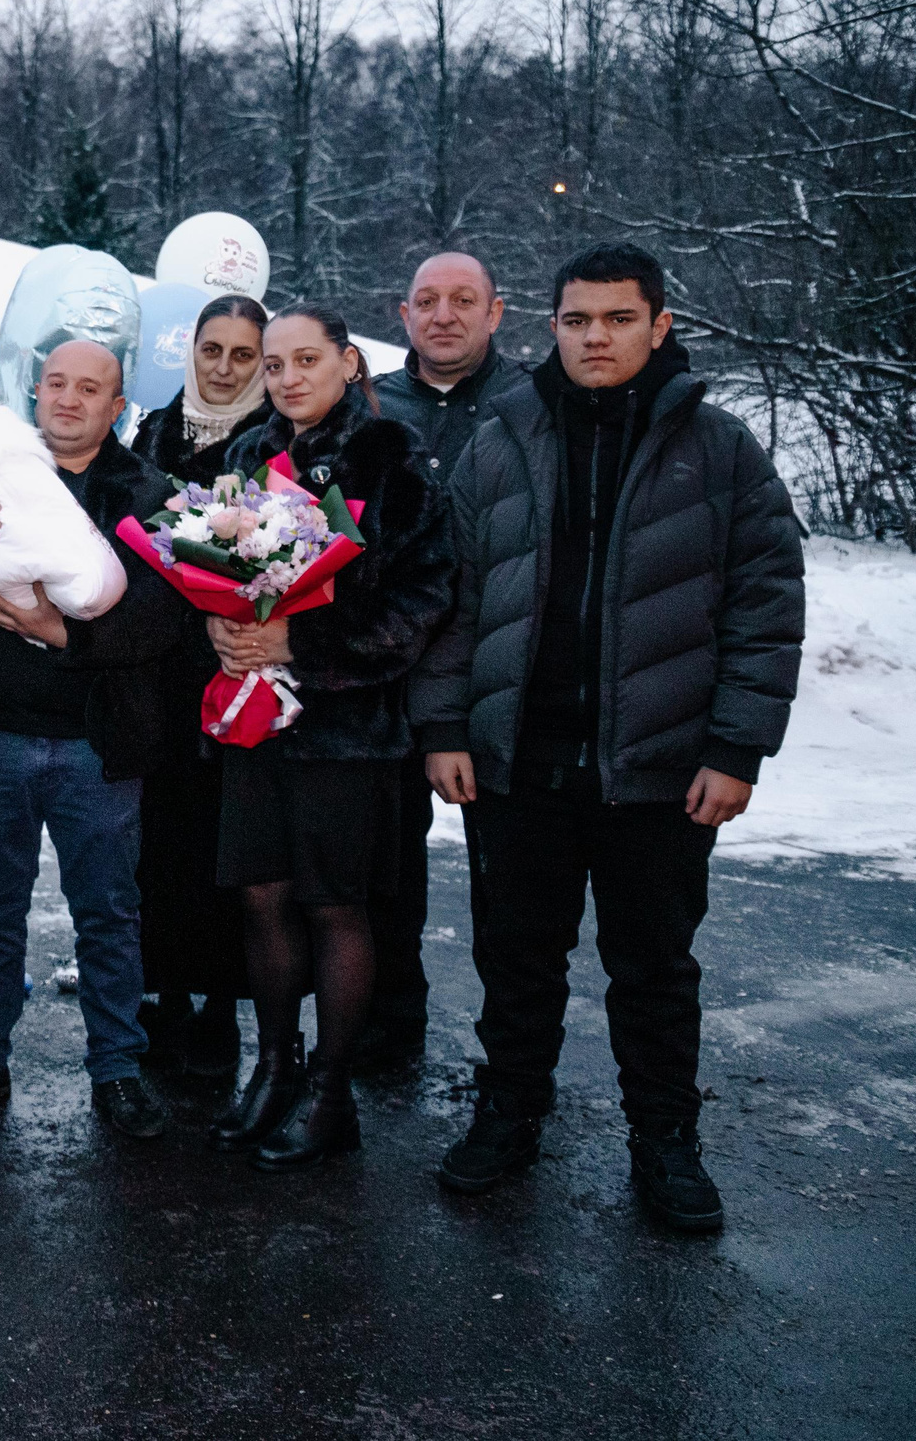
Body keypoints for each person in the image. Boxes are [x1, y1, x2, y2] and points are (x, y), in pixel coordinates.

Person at [416, 242, 804, 1232]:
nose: (597, 337)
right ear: (551, 326)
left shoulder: (719, 451)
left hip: (660, 768)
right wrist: (447, 725)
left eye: (619, 318)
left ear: (659, 326)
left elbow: (766, 608)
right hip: (518, 762)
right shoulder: (500, 441)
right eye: (578, 319)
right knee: (516, 956)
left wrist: (734, 749)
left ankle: (664, 1143)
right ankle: (508, 1114)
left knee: (655, 968)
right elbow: (455, 605)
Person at [0, 340, 186, 1140]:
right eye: (57, 383)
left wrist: (63, 634)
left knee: (110, 912)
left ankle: (118, 1067)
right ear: (36, 390)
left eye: (92, 389)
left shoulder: (147, 492)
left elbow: (164, 614)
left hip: (98, 739)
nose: (70, 399)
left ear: (118, 407)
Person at [202, 303, 452, 1172]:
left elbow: (423, 603)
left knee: (334, 905)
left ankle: (332, 1091)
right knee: (261, 896)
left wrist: (298, 645)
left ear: (349, 362)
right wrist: (226, 633)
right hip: (257, 725)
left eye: (307, 359)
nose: (289, 377)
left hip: (349, 731)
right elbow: (213, 577)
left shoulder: (393, 457)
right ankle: (275, 1067)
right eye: (275, 365)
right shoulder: (244, 457)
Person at [363, 252, 531, 1071]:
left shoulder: (531, 407)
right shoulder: (373, 409)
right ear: (402, 314)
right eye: (426, 300)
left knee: (514, 893)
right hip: (388, 677)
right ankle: (389, 1025)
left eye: (464, 300)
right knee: (386, 873)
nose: (444, 315)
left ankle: (515, 1063)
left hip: (500, 676)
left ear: (496, 312)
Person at [128, 294, 273, 1079]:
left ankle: (223, 1003)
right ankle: (168, 992)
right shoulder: (153, 428)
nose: (222, 368)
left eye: (241, 355)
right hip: (158, 671)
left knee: (228, 844)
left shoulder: (270, 442)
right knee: (160, 839)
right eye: (211, 350)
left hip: (235, 669)